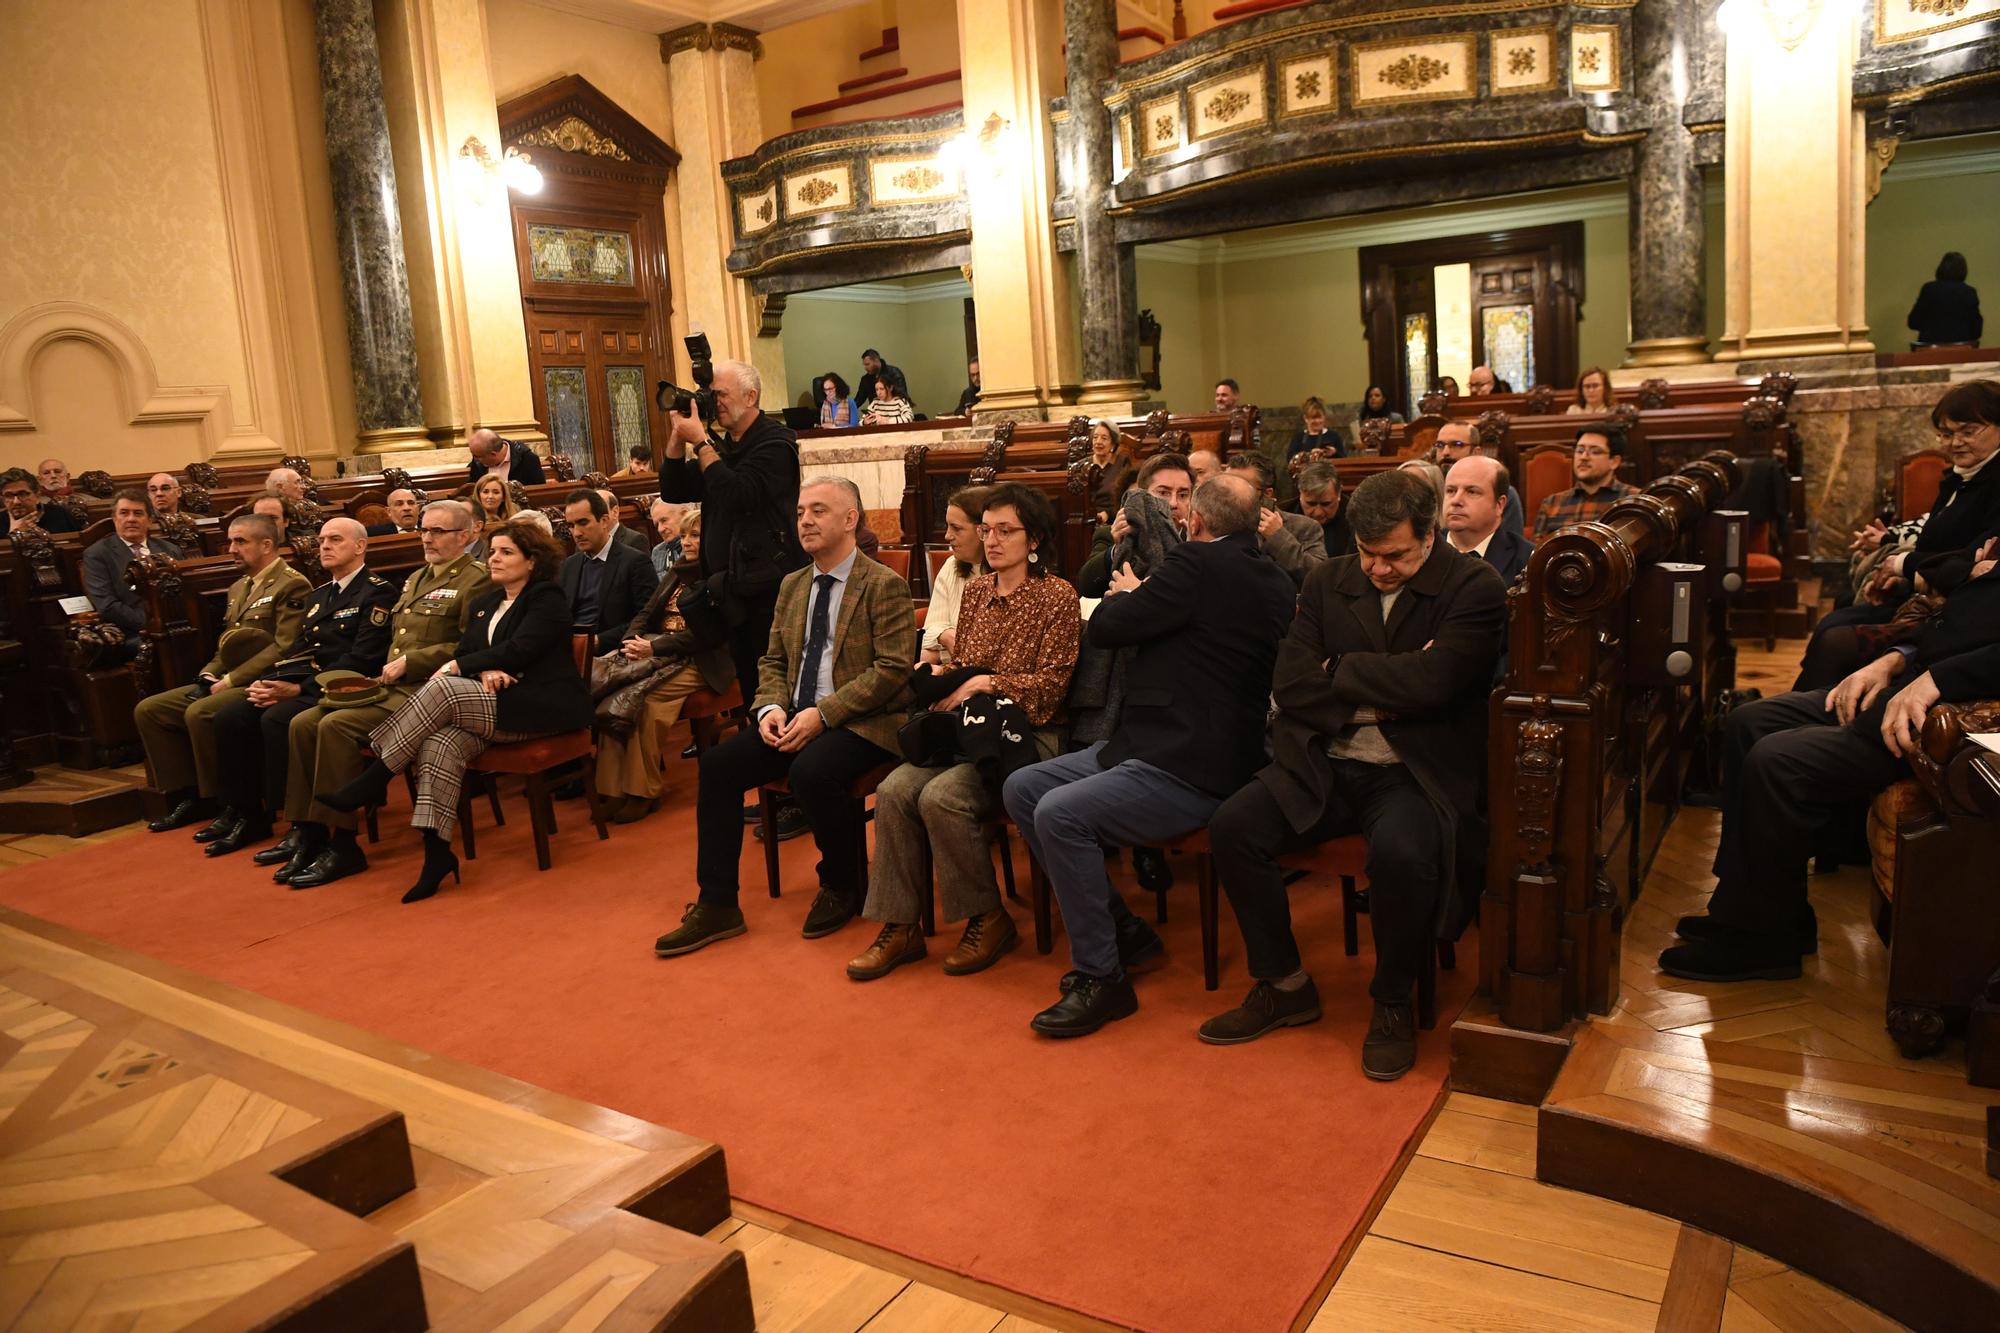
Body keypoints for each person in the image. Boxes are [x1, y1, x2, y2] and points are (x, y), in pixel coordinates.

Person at [1206, 470, 1506, 1078]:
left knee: (1401, 855)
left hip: (1415, 770)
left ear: (1430, 535)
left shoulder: (1474, 585)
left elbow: (1439, 683)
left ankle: (1392, 1000)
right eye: (1368, 553)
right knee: (1234, 827)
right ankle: (1284, 983)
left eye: (1394, 555)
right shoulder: (1328, 578)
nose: (1377, 569)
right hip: (1325, 758)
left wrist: (1338, 670)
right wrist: (1386, 687)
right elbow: (1290, 683)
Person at [1003, 474, 1295, 1036]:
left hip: (1185, 761)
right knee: (1024, 787)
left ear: (1197, 522)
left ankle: (1103, 977)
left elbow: (1109, 628)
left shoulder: (1192, 565)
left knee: (1057, 812)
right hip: (1186, 747)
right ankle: (1123, 929)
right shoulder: (1276, 580)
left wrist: (1128, 596)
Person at [1663, 540, 2000, 982]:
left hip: (1944, 716)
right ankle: (1757, 910)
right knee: (1751, 721)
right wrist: (1895, 660)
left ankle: (1765, 943)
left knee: (1777, 760)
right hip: (1908, 682)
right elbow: (1957, 620)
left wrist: (1939, 677)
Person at [652, 477, 916, 957]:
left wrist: (824, 714)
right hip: (795, 714)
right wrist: (770, 708)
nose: (805, 521)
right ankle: (717, 905)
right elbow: (771, 661)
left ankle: (842, 882)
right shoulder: (793, 585)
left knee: (811, 770)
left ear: (850, 520)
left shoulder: (883, 584)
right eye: (799, 513)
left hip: (864, 721)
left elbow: (893, 671)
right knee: (717, 767)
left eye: (818, 510)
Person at [849, 483, 1081, 980]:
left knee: (941, 797)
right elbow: (965, 668)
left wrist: (984, 681)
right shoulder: (975, 593)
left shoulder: (1057, 595)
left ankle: (988, 918)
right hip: (972, 728)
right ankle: (900, 925)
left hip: (1029, 735)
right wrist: (946, 676)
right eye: (987, 530)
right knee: (892, 790)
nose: (992, 540)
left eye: (1006, 531)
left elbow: (1052, 689)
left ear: (1034, 539)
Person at [321, 520, 588, 903]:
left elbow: (522, 649)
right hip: (497, 702)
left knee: (445, 686)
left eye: (506, 552)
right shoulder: (485, 603)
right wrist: (483, 666)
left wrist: (473, 666)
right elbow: (466, 653)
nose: (494, 558)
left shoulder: (547, 597)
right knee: (440, 742)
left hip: (541, 707)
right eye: (493, 550)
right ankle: (437, 852)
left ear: (532, 561)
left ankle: (377, 776)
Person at [274, 501, 490, 888]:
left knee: (336, 726)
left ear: (465, 535)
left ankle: (344, 846)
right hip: (393, 684)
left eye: (438, 531)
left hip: (429, 690)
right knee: (303, 722)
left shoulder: (477, 580)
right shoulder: (417, 578)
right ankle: (310, 831)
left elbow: (469, 646)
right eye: (424, 530)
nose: (427, 538)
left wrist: (413, 661)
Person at [204, 519, 397, 854]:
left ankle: (300, 824)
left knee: (278, 719)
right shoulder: (321, 595)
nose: (324, 546)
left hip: (342, 686)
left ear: (360, 547)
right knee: (231, 716)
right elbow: (298, 649)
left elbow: (362, 658)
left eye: (335, 539)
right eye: (321, 539)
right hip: (306, 681)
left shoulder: (377, 591)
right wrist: (272, 681)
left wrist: (299, 690)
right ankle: (248, 814)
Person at [1794, 380, 2000, 688]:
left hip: (1960, 611)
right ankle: (1814, 710)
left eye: (1968, 431)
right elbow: (1939, 536)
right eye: (1946, 433)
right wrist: (1898, 559)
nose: (1955, 442)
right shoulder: (1961, 476)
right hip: (1933, 590)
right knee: (1842, 605)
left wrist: (1904, 566)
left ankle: (1810, 719)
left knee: (1835, 636)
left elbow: (1970, 560)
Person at [135, 513, 311, 835]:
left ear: (267, 545)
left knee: (200, 712)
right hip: (232, 676)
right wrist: (207, 674)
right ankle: (191, 795)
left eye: (240, 541)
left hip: (269, 679)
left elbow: (284, 648)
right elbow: (227, 647)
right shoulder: (238, 587)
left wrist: (231, 679)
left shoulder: (292, 583)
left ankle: (230, 803)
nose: (231, 548)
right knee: (152, 710)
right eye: (230, 541)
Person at [657, 357, 805, 719]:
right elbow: (673, 489)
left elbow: (739, 495)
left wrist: (702, 443)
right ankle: (754, 747)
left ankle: (779, 754)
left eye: (721, 394)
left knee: (770, 682)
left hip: (767, 588)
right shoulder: (722, 447)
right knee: (746, 683)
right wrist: (678, 438)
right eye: (711, 394)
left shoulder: (776, 443)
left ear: (751, 396)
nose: (714, 401)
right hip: (727, 587)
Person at [591, 510, 733, 823]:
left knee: (643, 703)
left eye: (696, 535)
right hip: (655, 651)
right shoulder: (677, 570)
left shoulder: (722, 575)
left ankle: (643, 792)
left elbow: (705, 637)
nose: (688, 542)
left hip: (701, 660)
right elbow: (646, 610)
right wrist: (631, 640)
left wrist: (653, 647)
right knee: (610, 699)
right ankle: (613, 790)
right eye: (685, 536)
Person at [1077, 452, 1195, 597]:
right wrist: (1118, 550)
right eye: (1163, 492)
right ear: (1142, 496)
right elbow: (1086, 587)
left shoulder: (1200, 539)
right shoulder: (1113, 533)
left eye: (1183, 495)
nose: (1173, 503)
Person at [562, 488, 659, 655]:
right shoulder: (569, 565)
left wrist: (599, 641)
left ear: (604, 521)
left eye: (583, 523)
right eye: (571, 526)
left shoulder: (635, 562)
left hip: (611, 653)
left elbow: (647, 618)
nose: (576, 533)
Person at [83, 490, 181, 650]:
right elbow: (107, 605)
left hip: (175, 624)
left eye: (138, 513)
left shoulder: (170, 550)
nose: (131, 519)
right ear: (114, 518)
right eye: (124, 513)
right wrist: (152, 623)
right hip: (133, 632)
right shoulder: (97, 554)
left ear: (149, 520)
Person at [1225, 451, 1327, 585]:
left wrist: (1278, 537)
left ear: (1267, 493)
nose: (1228, 495)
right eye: (1226, 487)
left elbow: (1320, 576)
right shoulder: (1216, 524)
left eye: (1241, 488)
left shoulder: (1304, 527)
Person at [922, 485, 988, 666]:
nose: (947, 536)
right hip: (952, 671)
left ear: (983, 531)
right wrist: (944, 635)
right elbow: (928, 637)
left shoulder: (1008, 574)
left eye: (956, 528)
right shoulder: (951, 566)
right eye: (947, 526)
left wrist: (942, 637)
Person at [1533, 426, 1638, 537]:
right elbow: (1539, 550)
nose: (1584, 457)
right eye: (1579, 450)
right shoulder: (1552, 503)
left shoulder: (1633, 501)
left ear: (1614, 461)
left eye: (1595, 452)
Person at [1443, 455, 1532, 585]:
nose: (1456, 500)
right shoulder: (1422, 550)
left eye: (1472, 492)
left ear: (1499, 505)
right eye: (1451, 491)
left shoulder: (1528, 560)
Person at [1432, 420, 1525, 540]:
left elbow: (1511, 548)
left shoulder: (1504, 492)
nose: (1445, 452)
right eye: (1440, 445)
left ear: (1476, 452)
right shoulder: (1426, 487)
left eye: (1456, 445)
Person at [1907, 252, 1982, 348]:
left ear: (1941, 268)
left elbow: (1913, 322)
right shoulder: (1969, 292)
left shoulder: (1929, 289)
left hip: (1930, 352)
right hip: (1961, 351)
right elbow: (1976, 331)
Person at [1296, 462, 1354, 559]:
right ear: (1300, 494)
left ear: (1339, 494)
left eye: (1326, 504)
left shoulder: (1357, 518)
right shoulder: (1283, 515)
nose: (1318, 513)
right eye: (1311, 504)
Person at [1, 467, 80, 536]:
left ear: (37, 496)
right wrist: (15, 533)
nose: (16, 501)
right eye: (9, 496)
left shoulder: (59, 514)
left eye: (23, 494)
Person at [1088, 419, 1135, 522]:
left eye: (1104, 438)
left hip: (1114, 518)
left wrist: (1108, 514)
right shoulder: (1084, 465)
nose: (1098, 442)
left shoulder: (1122, 462)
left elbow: (1128, 497)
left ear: (1113, 444)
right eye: (1095, 438)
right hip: (1088, 518)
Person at [467, 427, 546, 486]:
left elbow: (537, 491)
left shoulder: (527, 460)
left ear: (493, 454)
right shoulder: (478, 462)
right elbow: (473, 488)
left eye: (478, 456)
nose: (475, 459)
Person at [649, 500, 687, 577]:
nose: (660, 529)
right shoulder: (657, 551)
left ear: (685, 514)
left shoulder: (698, 544)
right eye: (656, 525)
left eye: (664, 520)